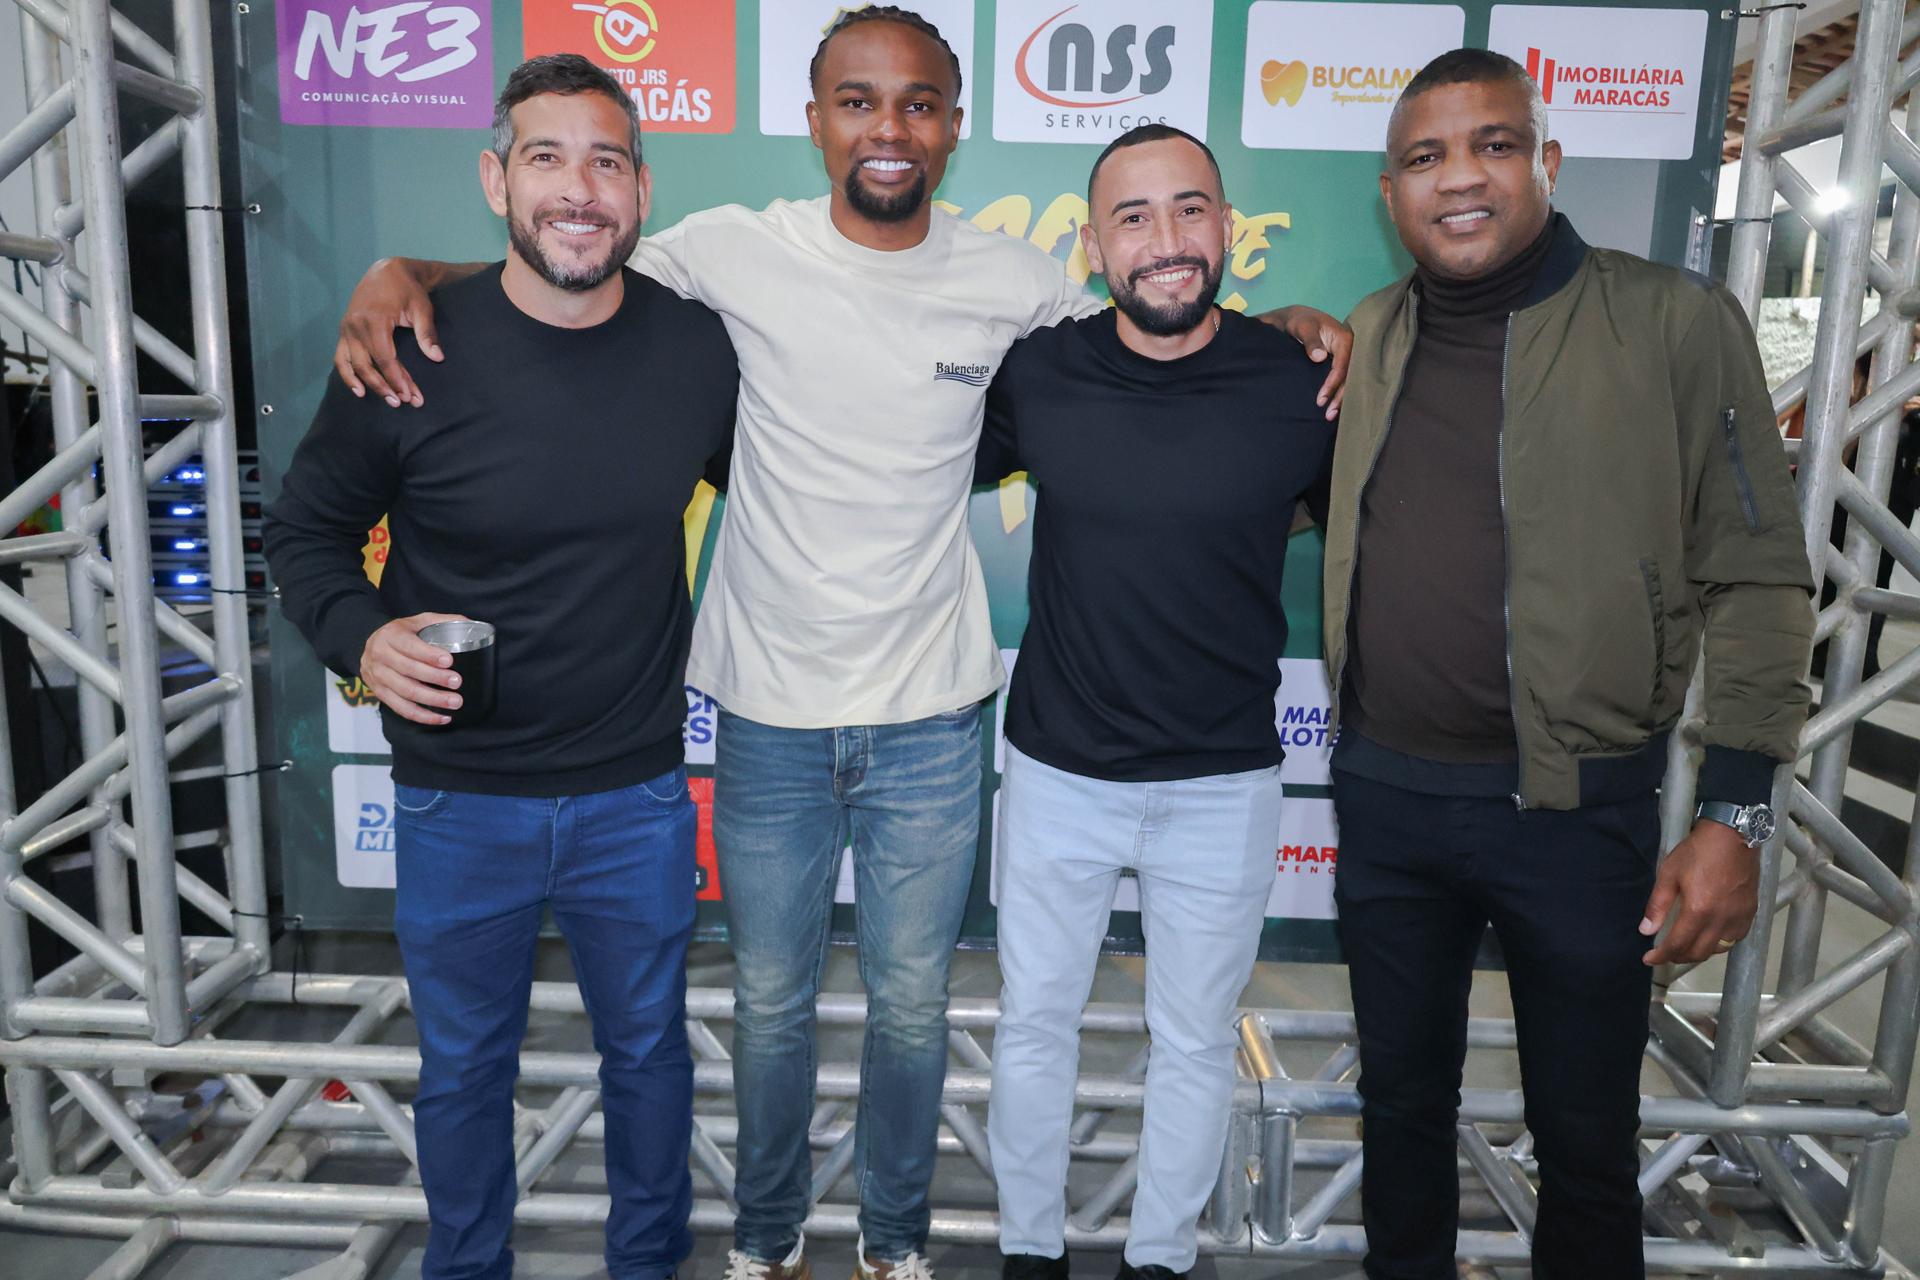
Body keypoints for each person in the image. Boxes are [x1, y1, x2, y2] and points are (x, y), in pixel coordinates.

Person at [330, 11, 1353, 1280]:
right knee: (770, 1004)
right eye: (858, 101)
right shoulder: (728, 250)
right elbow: (563, 260)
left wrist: (1284, 322)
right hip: (767, 710)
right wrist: (402, 272)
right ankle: (765, 1242)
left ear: (954, 126)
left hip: (934, 715)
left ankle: (894, 1243)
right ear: (815, 118)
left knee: (913, 1007)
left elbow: (1171, 326)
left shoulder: (1018, 282)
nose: (889, 127)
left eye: (918, 103)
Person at [1321, 49, 1814, 1279]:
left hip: (1577, 815)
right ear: (1391, 192)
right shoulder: (1369, 334)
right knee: (1400, 1111)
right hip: (1386, 804)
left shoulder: (1674, 322)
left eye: (1492, 144)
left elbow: (1758, 573)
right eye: (1426, 157)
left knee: (1588, 1138)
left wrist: (1737, 811)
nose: (1459, 178)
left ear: (1546, 160)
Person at [264, 54, 738, 1280]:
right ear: (495, 179)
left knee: (649, 1055)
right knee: (466, 1066)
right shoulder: (408, 345)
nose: (578, 189)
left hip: (636, 793)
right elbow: (304, 534)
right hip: (456, 798)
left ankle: (649, 1263)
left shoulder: (698, 350)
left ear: (642, 190)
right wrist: (361, 637)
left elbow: (808, 481)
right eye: (545, 157)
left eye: (606, 161)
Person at [975, 124, 1334, 1280]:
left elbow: (1362, 521)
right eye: (1133, 217)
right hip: (1058, 769)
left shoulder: (1300, 381)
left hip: (1223, 781)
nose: (1166, 239)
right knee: (1034, 1021)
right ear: (1094, 246)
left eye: (1190, 210)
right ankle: (1029, 1251)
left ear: (1226, 226)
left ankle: (1161, 1257)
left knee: (1193, 1038)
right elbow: (899, 445)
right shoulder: (1040, 371)